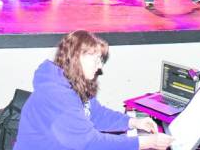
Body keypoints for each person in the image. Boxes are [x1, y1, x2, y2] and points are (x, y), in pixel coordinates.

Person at [14, 30, 173, 150]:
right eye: (96, 60)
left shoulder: (72, 82)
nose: (100, 67)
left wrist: (133, 122)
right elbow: (90, 143)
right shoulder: (57, 95)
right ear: (77, 58)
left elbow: (96, 114)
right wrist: (145, 142)